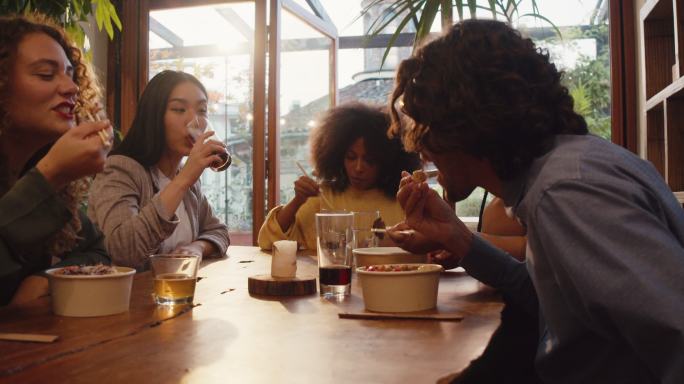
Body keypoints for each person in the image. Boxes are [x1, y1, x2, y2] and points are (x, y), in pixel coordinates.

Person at [388, 19, 684, 383]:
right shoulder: (566, 168)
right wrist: (458, 238)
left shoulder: (567, 192)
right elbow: (551, 302)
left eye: (424, 131)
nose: (423, 154)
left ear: (462, 125)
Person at [0, 14, 113, 306]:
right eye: (46, 74)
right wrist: (50, 175)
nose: (72, 88)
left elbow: (98, 251)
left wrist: (48, 277)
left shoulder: (37, 167)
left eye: (70, 74)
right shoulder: (48, 171)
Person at [88, 70, 230, 271]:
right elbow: (123, 252)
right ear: (154, 115)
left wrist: (197, 247)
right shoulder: (120, 169)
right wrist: (184, 180)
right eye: (179, 109)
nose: (194, 120)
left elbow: (219, 231)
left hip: (180, 296)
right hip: (126, 299)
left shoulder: (185, 177)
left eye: (201, 110)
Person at [257, 102, 421, 251]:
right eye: (351, 157)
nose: (358, 168)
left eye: (369, 160)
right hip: (330, 282)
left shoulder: (403, 201)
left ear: (388, 161)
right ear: (337, 156)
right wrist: (297, 201)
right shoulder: (322, 197)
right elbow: (267, 241)